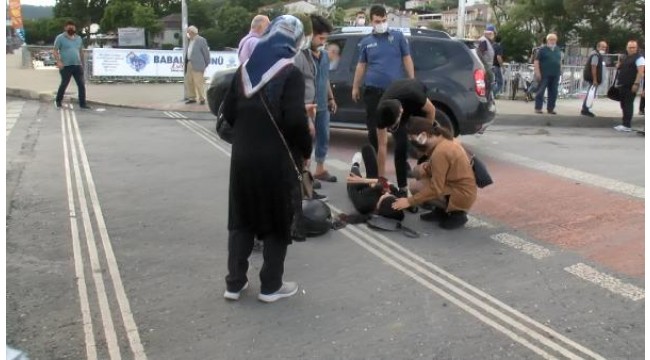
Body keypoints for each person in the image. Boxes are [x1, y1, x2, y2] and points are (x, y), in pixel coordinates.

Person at [221, 15, 312, 303]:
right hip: (276, 160)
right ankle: (271, 286)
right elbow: (296, 122)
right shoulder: (290, 73)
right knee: (276, 219)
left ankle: (234, 284)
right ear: (295, 42)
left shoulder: (244, 71)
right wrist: (306, 150)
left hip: (242, 157)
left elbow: (229, 114)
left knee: (242, 217)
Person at [351, 4, 415, 192]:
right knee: (374, 135)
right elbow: (361, 66)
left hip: (395, 93)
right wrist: (355, 86)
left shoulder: (397, 37)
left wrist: (412, 82)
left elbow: (407, 59)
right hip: (373, 92)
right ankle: (379, 178)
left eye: (384, 20)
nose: (381, 24)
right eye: (377, 21)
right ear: (371, 21)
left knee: (400, 136)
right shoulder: (366, 42)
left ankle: (402, 181)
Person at [392, 117, 477, 230]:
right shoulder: (443, 139)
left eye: (413, 139)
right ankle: (440, 210)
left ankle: (458, 213)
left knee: (415, 187)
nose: (412, 142)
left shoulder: (440, 152)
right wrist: (424, 169)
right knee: (418, 170)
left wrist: (409, 201)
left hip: (461, 194)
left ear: (423, 135)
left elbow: (436, 188)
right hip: (457, 185)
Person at [374, 79, 436, 195]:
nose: (392, 130)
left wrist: (425, 135)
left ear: (401, 113)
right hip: (396, 104)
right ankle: (403, 189)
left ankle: (426, 183)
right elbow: (382, 146)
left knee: (424, 145)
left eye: (394, 126)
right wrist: (381, 180)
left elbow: (431, 110)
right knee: (401, 146)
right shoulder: (381, 112)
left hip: (417, 104)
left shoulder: (415, 96)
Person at [344, 145, 405, 222]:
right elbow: (383, 180)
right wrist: (366, 181)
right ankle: (363, 177)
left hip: (360, 189)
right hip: (374, 183)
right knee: (367, 148)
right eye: (389, 194)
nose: (386, 193)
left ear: (380, 204)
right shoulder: (395, 197)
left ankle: (355, 164)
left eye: (385, 196)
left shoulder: (363, 205)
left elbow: (352, 190)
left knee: (354, 176)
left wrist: (360, 179)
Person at [53, 20, 89, 109]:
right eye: (69, 26)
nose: (71, 28)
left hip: (77, 65)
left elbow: (80, 51)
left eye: (72, 27)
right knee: (64, 83)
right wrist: (59, 62)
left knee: (81, 84)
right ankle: (58, 101)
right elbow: (55, 50)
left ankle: (83, 104)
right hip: (65, 66)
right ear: (65, 28)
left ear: (75, 28)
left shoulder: (79, 38)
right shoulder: (60, 38)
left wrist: (83, 64)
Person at [614, 40, 645, 132]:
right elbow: (619, 68)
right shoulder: (626, 57)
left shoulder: (639, 58)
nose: (631, 49)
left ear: (636, 48)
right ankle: (624, 123)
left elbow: (640, 72)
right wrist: (619, 63)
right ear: (626, 48)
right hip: (622, 84)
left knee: (628, 104)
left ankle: (627, 125)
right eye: (630, 47)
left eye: (633, 47)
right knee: (623, 104)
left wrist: (636, 83)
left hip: (630, 84)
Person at [534, 33, 562, 114]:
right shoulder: (542, 50)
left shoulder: (557, 49)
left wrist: (560, 70)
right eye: (551, 39)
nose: (553, 41)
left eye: (554, 40)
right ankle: (538, 108)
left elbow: (559, 61)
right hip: (544, 74)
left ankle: (550, 108)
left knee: (553, 92)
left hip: (555, 74)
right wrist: (537, 72)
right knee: (540, 91)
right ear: (547, 40)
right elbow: (536, 61)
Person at [581, 41, 608, 117]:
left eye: (605, 47)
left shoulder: (597, 55)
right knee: (591, 94)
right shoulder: (596, 55)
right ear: (598, 47)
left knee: (591, 93)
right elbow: (593, 67)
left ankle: (586, 108)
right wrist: (595, 79)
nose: (604, 49)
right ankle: (585, 109)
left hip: (592, 78)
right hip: (592, 78)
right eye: (602, 47)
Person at [184, 26, 210, 105]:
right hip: (189, 63)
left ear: (192, 32)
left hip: (198, 64)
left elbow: (206, 53)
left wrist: (206, 63)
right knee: (189, 81)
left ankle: (202, 98)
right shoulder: (190, 41)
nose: (187, 34)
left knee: (198, 82)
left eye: (188, 32)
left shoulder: (201, 40)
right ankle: (192, 97)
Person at [477, 25, 496, 98]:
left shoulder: (487, 41)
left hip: (486, 68)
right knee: (487, 87)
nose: (494, 36)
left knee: (488, 86)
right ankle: (486, 99)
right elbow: (479, 54)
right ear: (489, 33)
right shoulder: (484, 41)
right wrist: (486, 67)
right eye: (493, 34)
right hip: (484, 69)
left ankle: (488, 99)